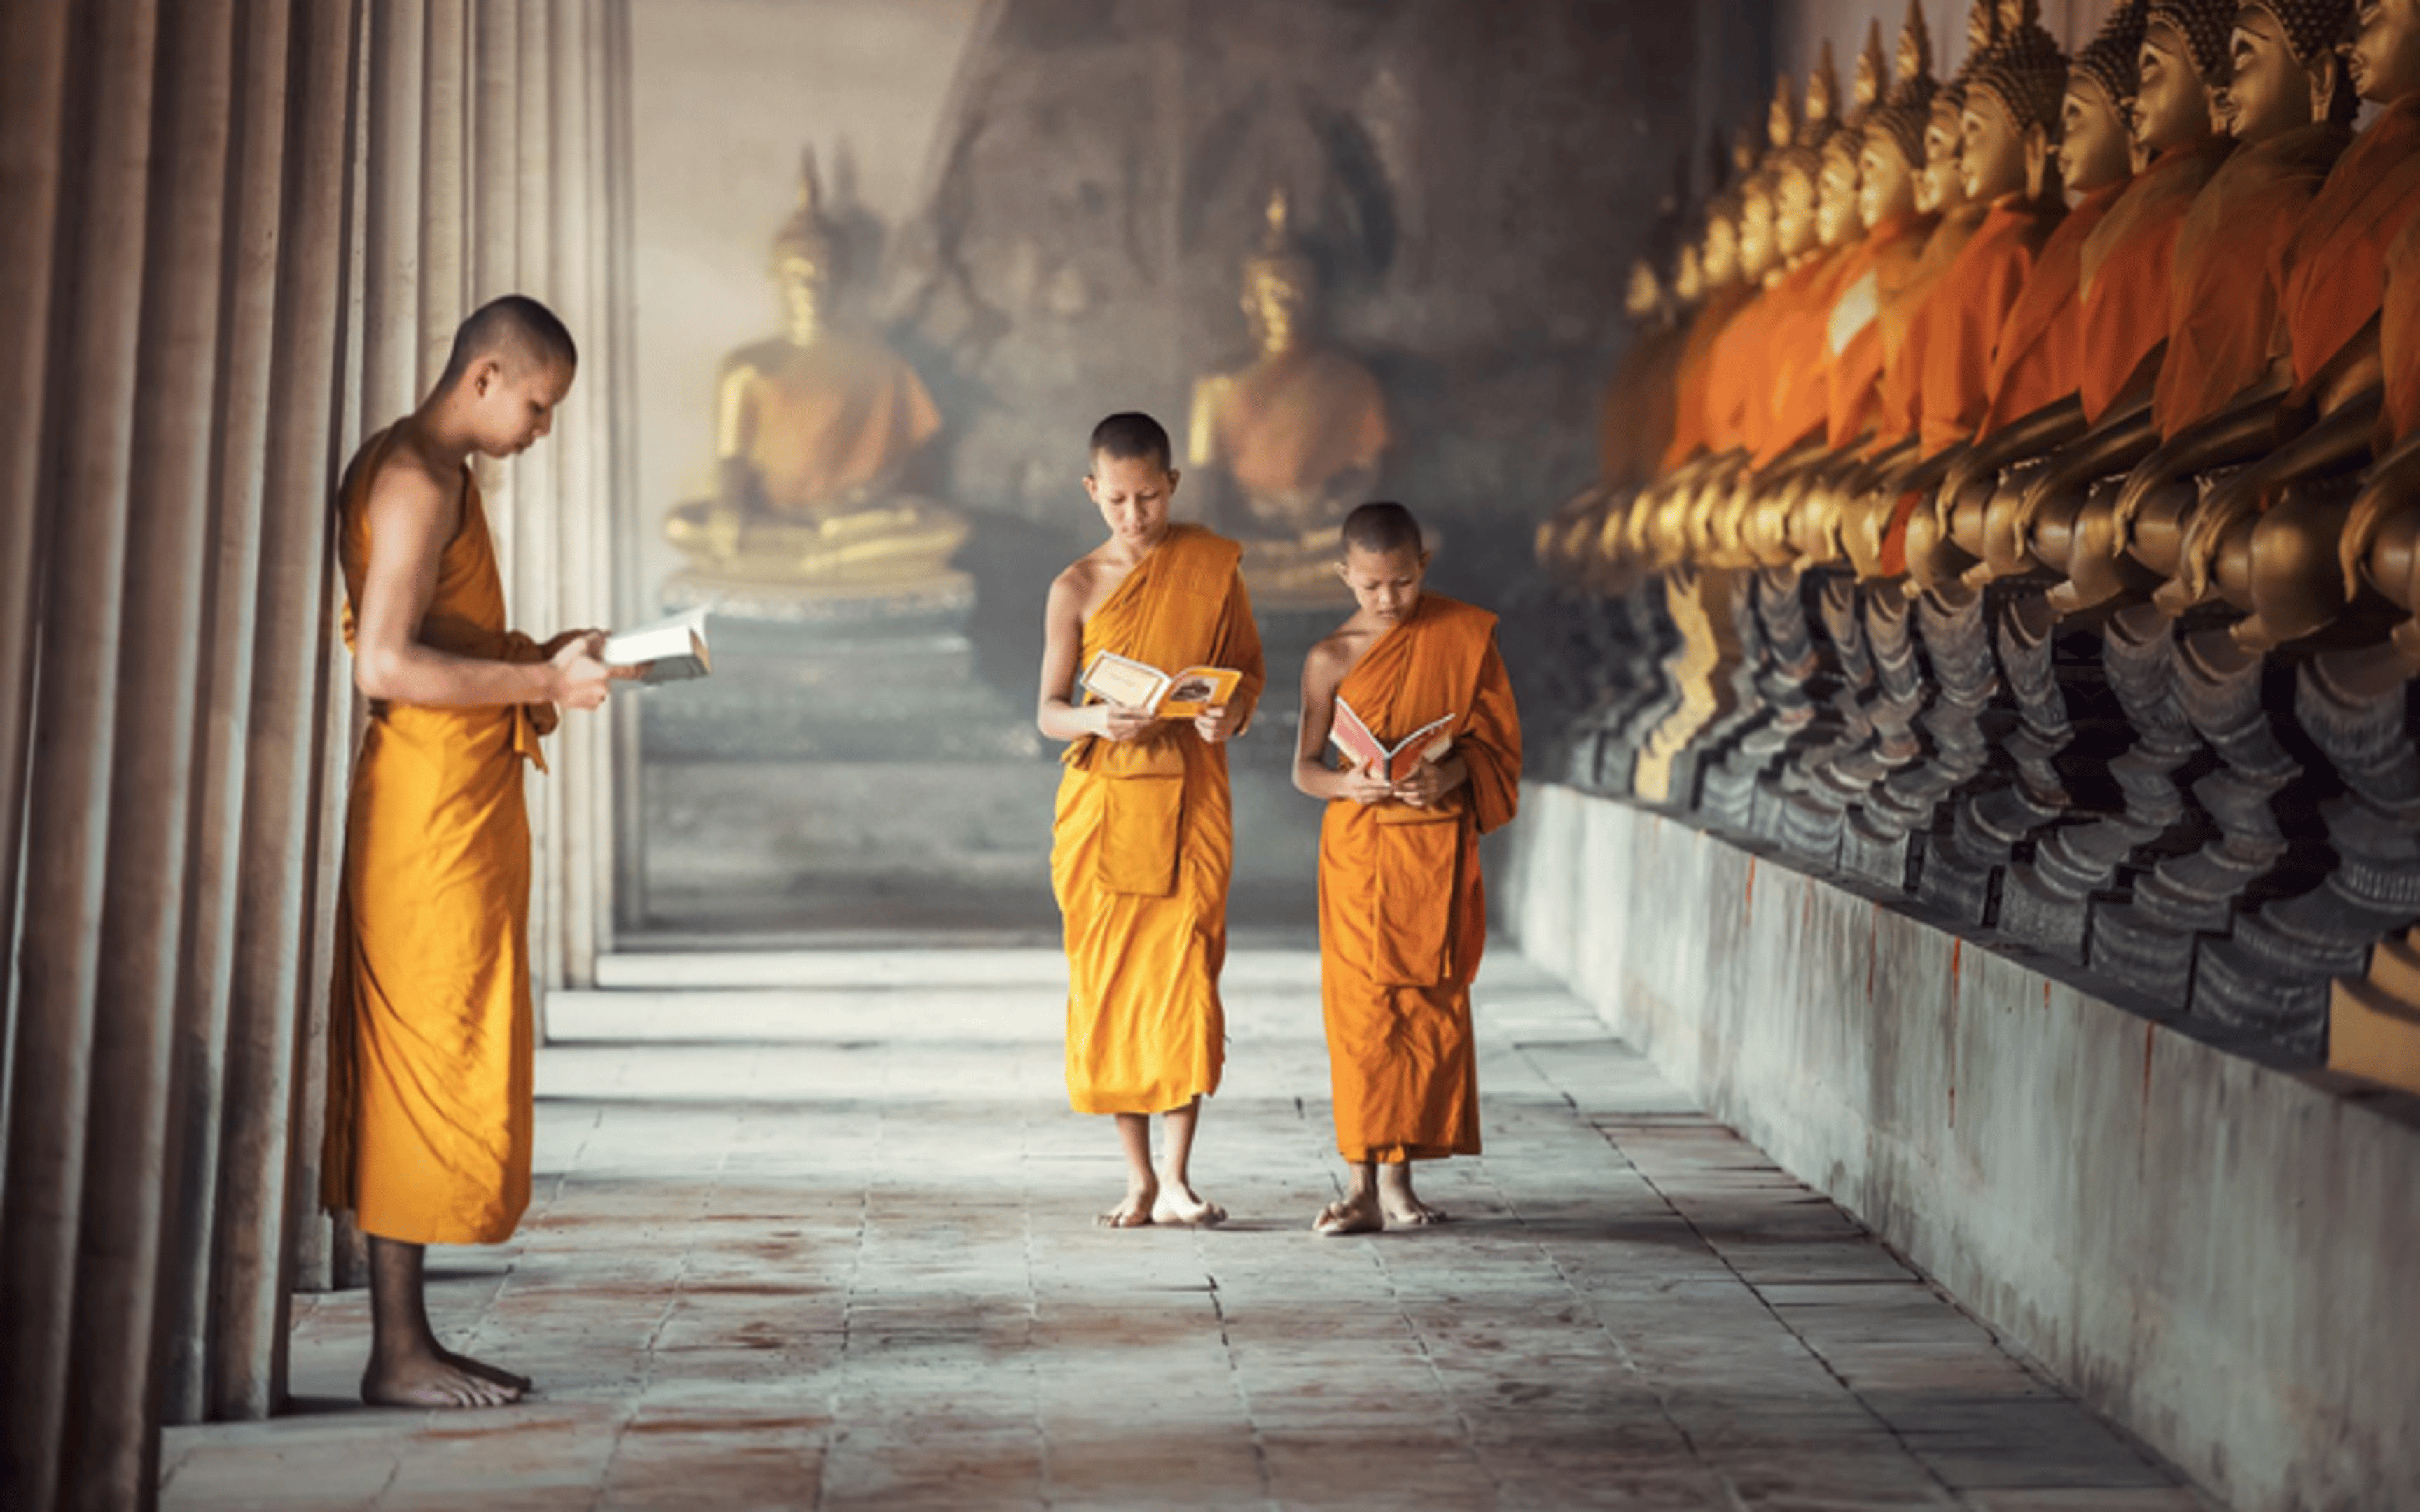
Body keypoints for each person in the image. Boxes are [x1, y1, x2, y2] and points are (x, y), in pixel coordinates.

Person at [323, 294, 639, 1408]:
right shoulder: (413, 475)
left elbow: (444, 643)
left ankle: (411, 1340)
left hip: (456, 797)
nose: (541, 430)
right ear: (486, 377)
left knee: (445, 1048)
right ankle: (397, 1352)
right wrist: (548, 682)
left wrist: (552, 653)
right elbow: (389, 667)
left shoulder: (434, 470)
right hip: (425, 808)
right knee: (422, 1055)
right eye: (539, 407)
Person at [1036, 412, 1266, 1228]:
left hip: (1191, 792)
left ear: (1173, 486)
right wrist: (1099, 721)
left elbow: (1242, 682)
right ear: (1092, 491)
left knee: (1183, 983)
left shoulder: (1212, 566)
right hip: (1106, 805)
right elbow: (1051, 713)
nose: (1135, 517)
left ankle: (1178, 1179)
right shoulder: (1076, 586)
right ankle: (1136, 1180)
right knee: (1111, 987)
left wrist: (1221, 719)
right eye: (1119, 500)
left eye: (1149, 498)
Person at [1292, 503, 1522, 1236]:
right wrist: (1347, 784)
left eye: (1400, 582)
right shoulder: (1329, 657)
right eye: (1370, 587)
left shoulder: (1463, 637)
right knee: (1362, 1018)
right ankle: (1359, 1184)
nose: (1387, 601)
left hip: (1432, 849)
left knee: (1424, 1008)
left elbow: (1498, 749)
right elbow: (1303, 769)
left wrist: (1448, 777)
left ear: (1424, 565)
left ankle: (1399, 1183)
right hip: (1360, 852)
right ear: (1344, 577)